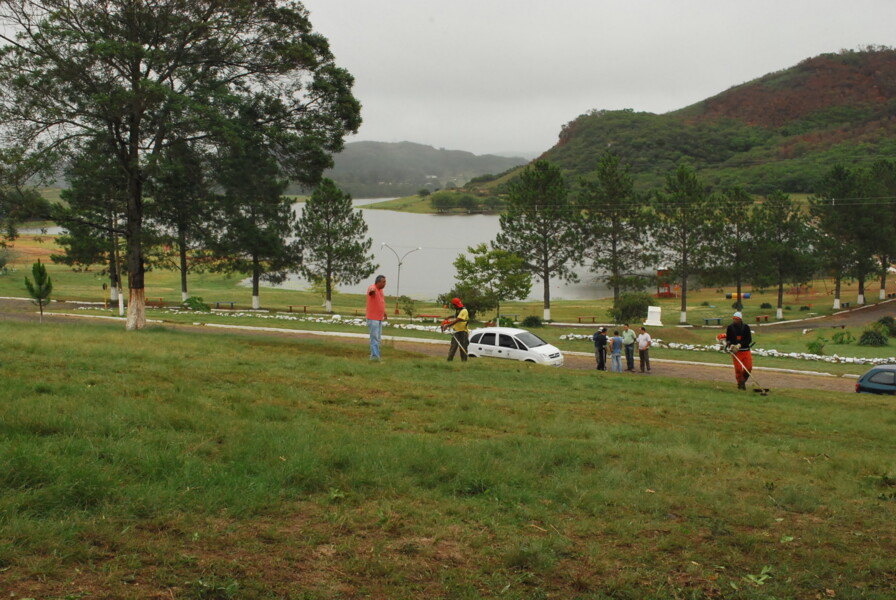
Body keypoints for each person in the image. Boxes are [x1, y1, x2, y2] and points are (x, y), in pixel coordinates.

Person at [725, 311, 753, 389]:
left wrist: (740, 344)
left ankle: (743, 381)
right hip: (736, 352)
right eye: (734, 319)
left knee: (748, 368)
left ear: (740, 319)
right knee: (738, 370)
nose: (735, 320)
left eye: (736, 319)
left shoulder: (746, 327)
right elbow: (728, 339)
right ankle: (740, 384)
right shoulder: (730, 327)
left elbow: (749, 339)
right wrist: (731, 345)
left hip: (746, 350)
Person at [441, 297, 469, 362]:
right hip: (456, 331)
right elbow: (455, 316)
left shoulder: (464, 311)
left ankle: (464, 362)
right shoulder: (458, 310)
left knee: (463, 347)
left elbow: (458, 319)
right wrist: (448, 317)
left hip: (463, 332)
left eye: (454, 305)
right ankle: (449, 361)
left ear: (455, 305)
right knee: (453, 347)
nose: (454, 306)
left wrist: (448, 325)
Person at [366, 274, 387, 361]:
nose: (385, 284)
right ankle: (375, 357)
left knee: (378, 338)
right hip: (372, 318)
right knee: (374, 338)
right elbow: (371, 290)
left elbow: (380, 302)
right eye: (383, 282)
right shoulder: (372, 287)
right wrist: (372, 291)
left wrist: (384, 312)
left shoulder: (381, 291)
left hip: (379, 318)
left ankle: (374, 355)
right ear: (378, 282)